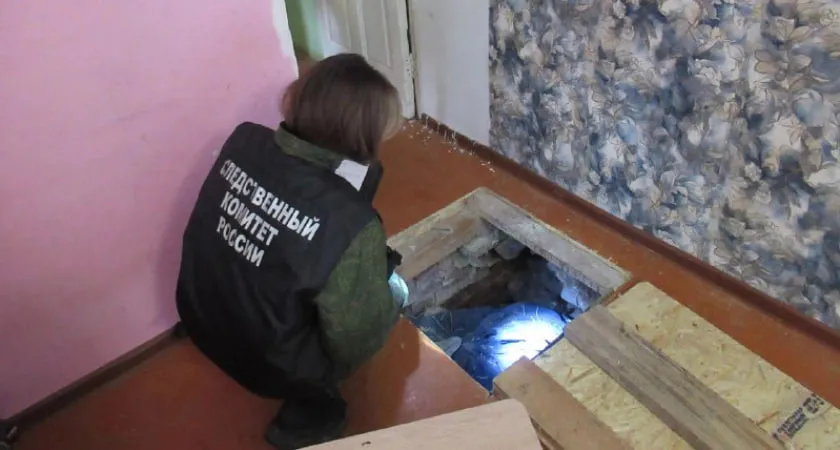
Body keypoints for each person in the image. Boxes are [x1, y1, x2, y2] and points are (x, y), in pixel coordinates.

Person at [175, 53, 407, 449]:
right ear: (362, 135)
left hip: (199, 312)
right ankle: (313, 408)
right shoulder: (352, 226)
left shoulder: (245, 142)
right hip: (265, 365)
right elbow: (356, 337)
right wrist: (380, 287)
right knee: (397, 291)